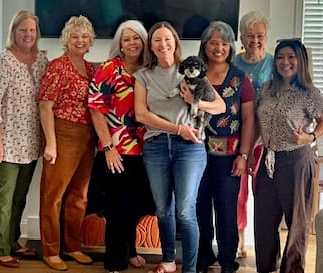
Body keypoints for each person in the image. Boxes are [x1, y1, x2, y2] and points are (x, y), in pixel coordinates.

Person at [134, 21, 225, 273]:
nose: (163, 45)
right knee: (163, 210)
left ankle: (191, 269)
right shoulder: (143, 76)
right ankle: (169, 260)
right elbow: (141, 114)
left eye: (167, 39)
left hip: (190, 147)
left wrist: (194, 103)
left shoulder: (190, 72)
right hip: (156, 147)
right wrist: (177, 128)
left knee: (185, 211)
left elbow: (221, 107)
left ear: (175, 43)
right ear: (150, 46)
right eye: (157, 40)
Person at [0, 10, 48, 268]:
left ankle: (11, 242)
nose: (28, 35)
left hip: (29, 142)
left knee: (19, 197)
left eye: (31, 30)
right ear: (14, 33)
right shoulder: (3, 60)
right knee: (3, 197)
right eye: (22, 30)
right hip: (4, 142)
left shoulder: (42, 60)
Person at [88, 19, 153, 273]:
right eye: (126, 39)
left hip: (148, 150)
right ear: (120, 44)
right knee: (117, 208)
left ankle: (131, 249)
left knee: (140, 205)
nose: (132, 43)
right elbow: (95, 109)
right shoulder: (109, 69)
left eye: (136, 38)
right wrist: (107, 147)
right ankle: (115, 262)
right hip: (117, 150)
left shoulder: (150, 70)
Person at [253, 38, 323, 273]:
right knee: (263, 221)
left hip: (296, 161)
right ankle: (266, 267)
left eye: (291, 57)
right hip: (267, 160)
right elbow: (256, 121)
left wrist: (311, 137)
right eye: (281, 57)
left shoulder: (309, 93)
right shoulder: (267, 89)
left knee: (296, 225)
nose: (285, 62)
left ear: (300, 61)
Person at [195, 21, 255, 273]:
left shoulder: (240, 78)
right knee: (198, 209)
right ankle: (202, 256)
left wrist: (244, 155)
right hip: (195, 155)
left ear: (230, 47)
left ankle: (228, 261)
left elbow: (250, 119)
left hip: (230, 157)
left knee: (226, 210)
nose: (218, 48)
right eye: (213, 42)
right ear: (205, 45)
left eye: (223, 43)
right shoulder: (193, 75)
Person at [38, 15, 96, 271]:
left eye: (84, 36)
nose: (80, 41)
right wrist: (51, 143)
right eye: (75, 36)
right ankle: (50, 250)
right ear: (66, 40)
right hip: (62, 133)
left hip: (87, 136)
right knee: (53, 196)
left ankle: (72, 246)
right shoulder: (57, 66)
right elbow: (45, 105)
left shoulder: (91, 68)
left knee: (79, 196)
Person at [233, 11, 274, 257]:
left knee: (264, 192)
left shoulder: (274, 63)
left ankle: (265, 245)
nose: (255, 40)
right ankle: (239, 241)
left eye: (260, 36)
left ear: (266, 37)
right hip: (237, 135)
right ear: (241, 37)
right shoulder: (233, 63)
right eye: (249, 35)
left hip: (267, 137)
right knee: (238, 192)